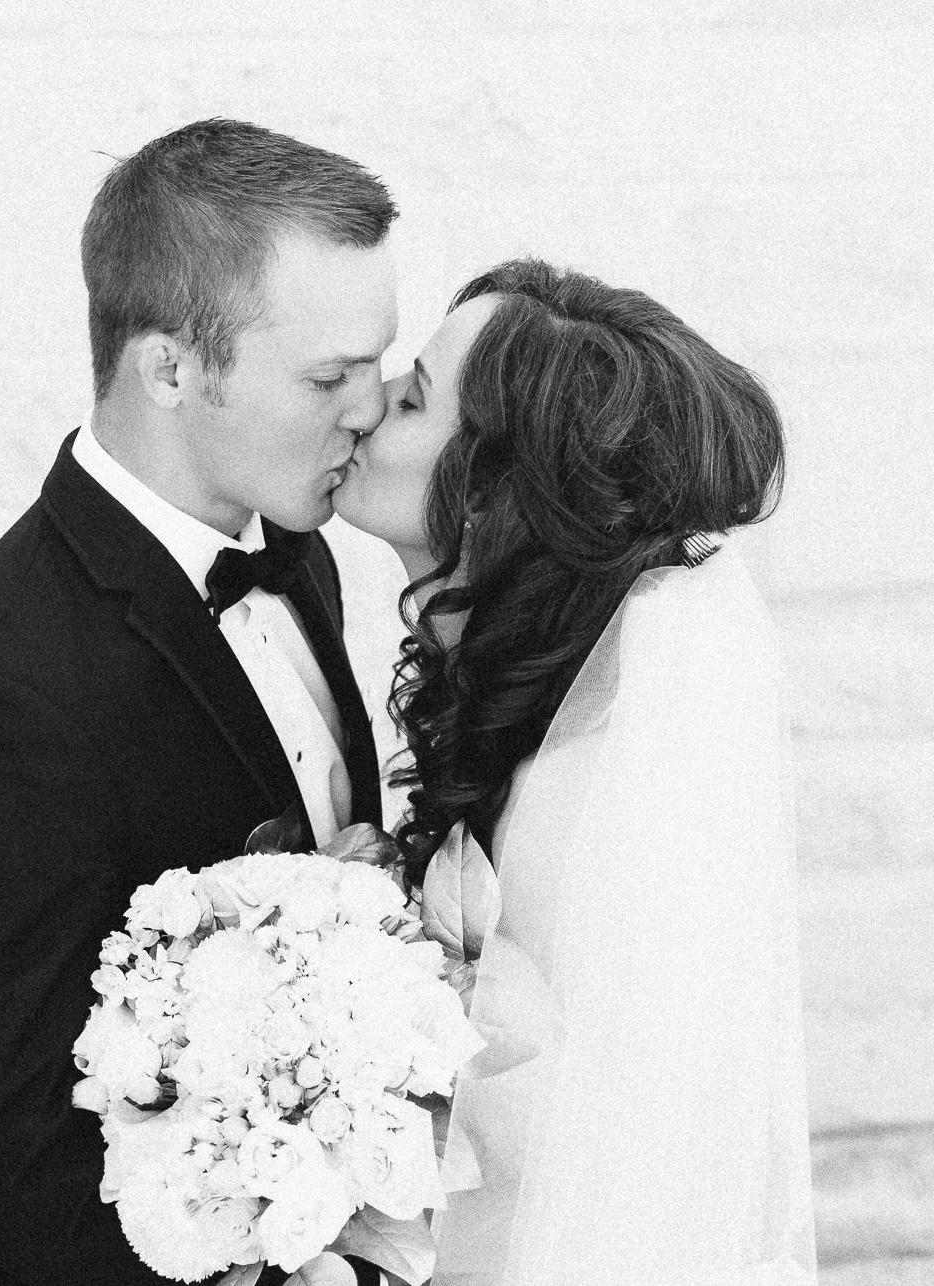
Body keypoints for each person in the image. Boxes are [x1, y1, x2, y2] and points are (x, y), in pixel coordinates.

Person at [0, 119, 397, 1286]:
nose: (368, 408)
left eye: (377, 361)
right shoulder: (0, 699)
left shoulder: (294, 551)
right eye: (328, 375)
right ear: (169, 368)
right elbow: (18, 1176)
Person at [334, 259, 817, 1285]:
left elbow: (593, 1165)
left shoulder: (588, 799)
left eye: (413, 397)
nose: (366, 407)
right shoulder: (528, 721)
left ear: (504, 494)